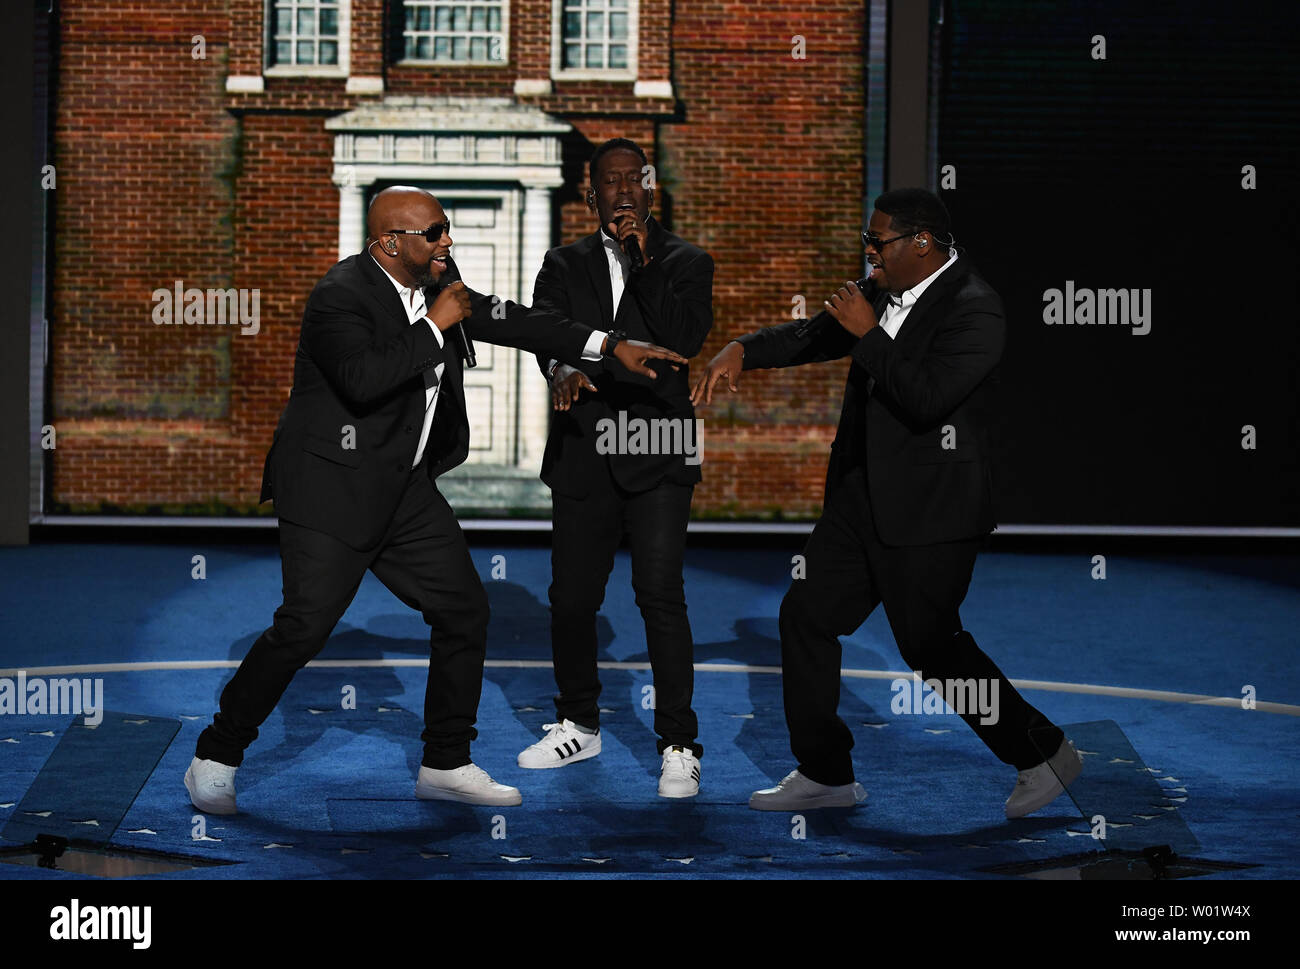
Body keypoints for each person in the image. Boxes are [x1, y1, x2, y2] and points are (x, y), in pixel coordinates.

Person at [185, 186, 686, 814]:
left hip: (406, 491)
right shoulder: (340, 295)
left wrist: (609, 346)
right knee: (302, 628)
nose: (446, 240)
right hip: (331, 491)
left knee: (463, 610)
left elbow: (520, 321)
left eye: (446, 228)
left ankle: (446, 761)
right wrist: (433, 326)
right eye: (433, 232)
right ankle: (217, 752)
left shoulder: (439, 288)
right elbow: (362, 379)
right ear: (390, 242)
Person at [691, 188, 1081, 818]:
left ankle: (1043, 752)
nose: (868, 254)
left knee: (931, 646)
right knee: (806, 617)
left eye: (879, 243)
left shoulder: (976, 310)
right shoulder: (878, 291)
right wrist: (744, 348)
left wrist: (868, 335)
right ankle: (826, 773)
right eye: (866, 242)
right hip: (857, 502)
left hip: (933, 510)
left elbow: (927, 399)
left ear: (922, 243)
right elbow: (810, 337)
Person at [515, 138, 714, 797]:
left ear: (650, 187)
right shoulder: (561, 262)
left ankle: (679, 743)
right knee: (572, 598)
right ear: (588, 190)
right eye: (611, 179)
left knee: (661, 594)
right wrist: (562, 367)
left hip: (658, 451)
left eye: (636, 177)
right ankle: (579, 721)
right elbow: (545, 331)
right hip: (585, 450)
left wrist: (642, 261)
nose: (625, 189)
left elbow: (682, 341)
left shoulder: (687, 261)